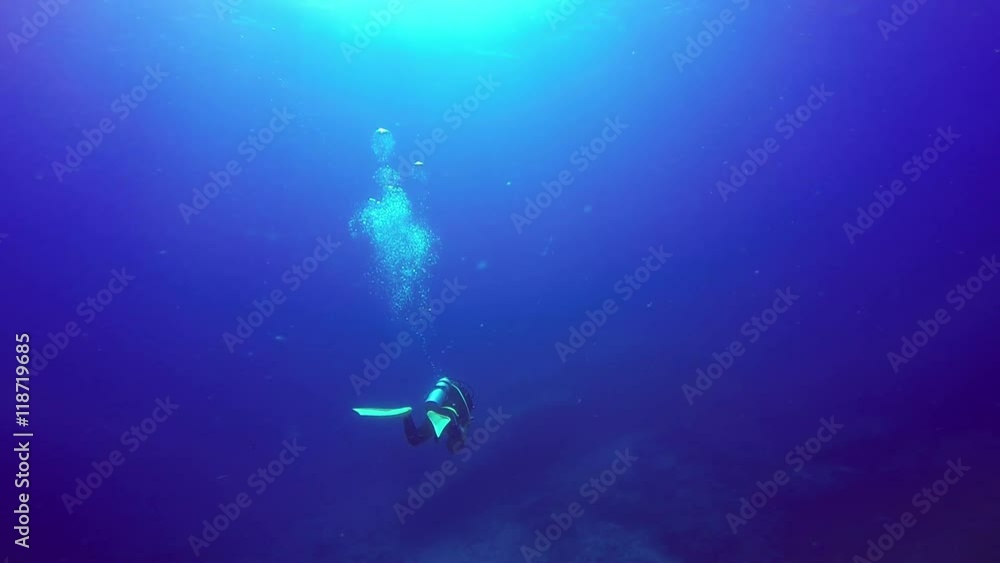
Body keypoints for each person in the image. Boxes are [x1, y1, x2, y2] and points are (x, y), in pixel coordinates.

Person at [353, 376, 475, 454]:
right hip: (448, 416)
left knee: (415, 439)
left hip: (438, 415)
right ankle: (438, 416)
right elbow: (462, 431)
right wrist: (464, 428)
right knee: (453, 428)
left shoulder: (453, 426)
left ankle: (406, 415)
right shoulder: (460, 429)